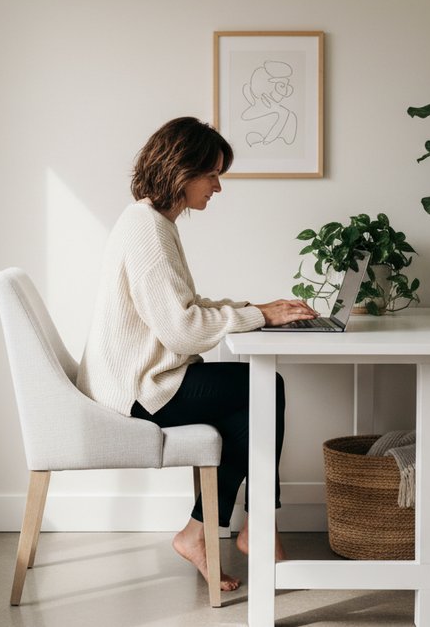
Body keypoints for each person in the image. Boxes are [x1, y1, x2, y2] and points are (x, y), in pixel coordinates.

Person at [76, 116, 317, 591]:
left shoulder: (150, 222)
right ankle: (252, 528)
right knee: (266, 386)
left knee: (247, 405)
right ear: (180, 170)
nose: (218, 188)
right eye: (212, 175)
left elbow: (185, 308)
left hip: (139, 380)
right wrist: (261, 317)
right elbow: (185, 330)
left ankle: (206, 533)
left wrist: (256, 308)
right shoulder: (148, 229)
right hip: (138, 391)